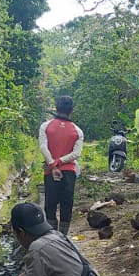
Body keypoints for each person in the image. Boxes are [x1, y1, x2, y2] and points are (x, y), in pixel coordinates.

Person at [38, 95, 85, 234]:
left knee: (50, 205)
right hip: (69, 171)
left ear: (56, 108)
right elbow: (76, 154)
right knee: (66, 204)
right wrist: (60, 162)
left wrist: (53, 164)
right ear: (71, 110)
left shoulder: (46, 126)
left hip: (50, 171)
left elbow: (43, 147)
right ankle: (64, 236)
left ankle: (52, 236)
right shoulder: (77, 131)